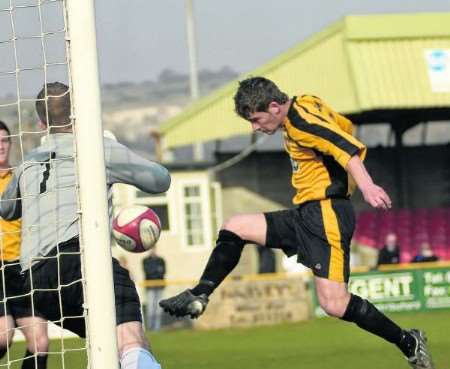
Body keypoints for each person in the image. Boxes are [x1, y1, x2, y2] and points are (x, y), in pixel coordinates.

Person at [160, 77, 434, 369]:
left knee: (334, 304)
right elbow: (342, 125)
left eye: (256, 119)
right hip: (305, 213)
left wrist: (366, 185)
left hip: (326, 214)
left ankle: (408, 342)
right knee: (235, 225)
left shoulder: (301, 121)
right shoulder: (306, 102)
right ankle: (200, 294)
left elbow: (345, 145)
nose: (254, 127)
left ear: (275, 106)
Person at [0, 82, 171, 369]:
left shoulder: (29, 163)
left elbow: (6, 209)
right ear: (80, 112)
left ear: (42, 123)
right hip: (81, 263)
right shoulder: (96, 148)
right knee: (131, 342)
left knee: (110, 346)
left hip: (36, 280)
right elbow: (160, 180)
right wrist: (113, 152)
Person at [0, 120, 49, 369]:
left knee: (40, 342)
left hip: (20, 269)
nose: (1, 146)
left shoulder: (22, 177)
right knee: (2, 335)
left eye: (5, 140)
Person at [142, 248, 166, 331]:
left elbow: (163, 271)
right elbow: (148, 272)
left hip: (160, 286)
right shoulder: (145, 260)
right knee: (151, 308)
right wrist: (156, 270)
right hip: (150, 287)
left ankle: (157, 327)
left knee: (158, 308)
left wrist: (154, 271)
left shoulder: (161, 260)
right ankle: (150, 327)